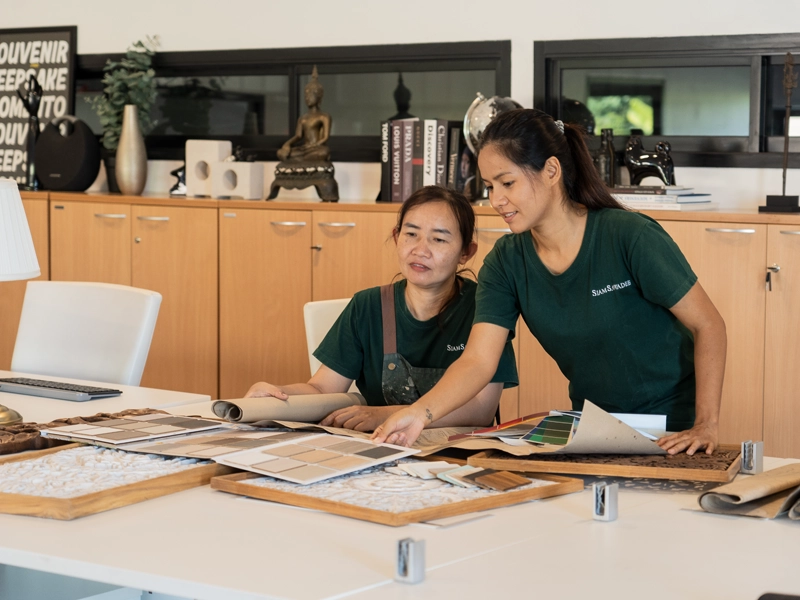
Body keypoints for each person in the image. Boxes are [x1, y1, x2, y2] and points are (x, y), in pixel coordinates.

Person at [373, 108, 727, 455]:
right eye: (489, 186)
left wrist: (705, 423)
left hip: (671, 429)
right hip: (594, 430)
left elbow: (708, 324)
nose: (496, 200)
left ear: (551, 170)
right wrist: (419, 413)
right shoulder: (506, 261)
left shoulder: (629, 236)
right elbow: (478, 361)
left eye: (507, 183)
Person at [245, 186, 519, 431]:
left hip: (455, 452)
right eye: (411, 234)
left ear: (466, 252)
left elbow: (481, 410)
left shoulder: (485, 306)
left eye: (439, 239)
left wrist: (384, 415)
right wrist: (278, 395)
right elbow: (321, 388)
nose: (420, 250)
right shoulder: (367, 307)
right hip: (380, 447)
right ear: (396, 237)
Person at [277, 65, 331, 162]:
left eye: (310, 95)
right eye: (306, 95)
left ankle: (302, 159)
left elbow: (325, 137)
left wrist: (315, 145)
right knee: (280, 153)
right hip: (304, 149)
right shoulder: (303, 118)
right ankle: (302, 158)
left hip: (316, 148)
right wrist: (287, 144)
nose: (307, 98)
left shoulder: (324, 117)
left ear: (318, 96)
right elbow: (298, 136)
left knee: (324, 152)